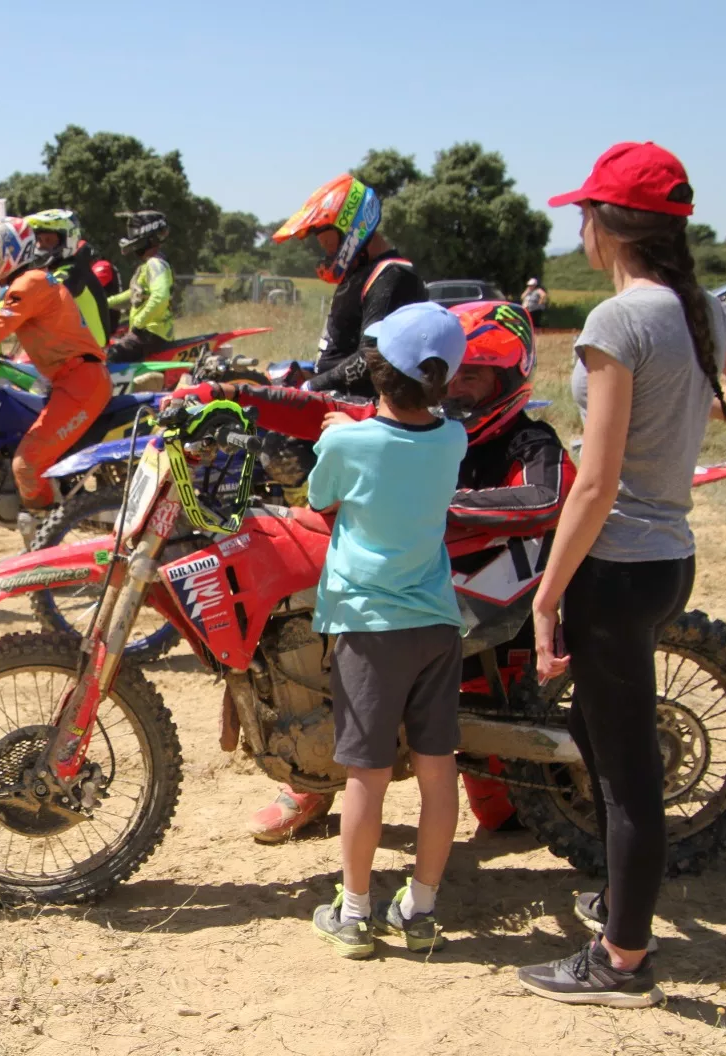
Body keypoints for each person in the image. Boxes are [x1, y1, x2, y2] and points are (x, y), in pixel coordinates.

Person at [517, 142, 726, 1007]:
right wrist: (687, 405)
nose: (581, 228)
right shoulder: (697, 309)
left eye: (585, 215)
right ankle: (618, 905)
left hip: (613, 566)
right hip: (668, 561)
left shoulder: (618, 323)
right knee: (606, 744)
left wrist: (548, 594)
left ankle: (623, 961)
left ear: (605, 225)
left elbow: (595, 484)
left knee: (626, 775)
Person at [175, 300, 575, 843]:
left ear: (510, 380)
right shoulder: (420, 421)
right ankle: (310, 774)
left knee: (502, 816)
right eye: (451, 376)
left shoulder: (529, 441)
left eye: (474, 379)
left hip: (484, 607)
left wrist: (436, 501)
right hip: (418, 588)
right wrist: (231, 394)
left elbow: (546, 497)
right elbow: (315, 405)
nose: (455, 390)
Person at [293, 301, 468, 959]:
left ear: (374, 370)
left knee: (365, 776)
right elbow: (413, 441)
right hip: (436, 624)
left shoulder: (346, 440)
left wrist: (344, 429)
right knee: (436, 773)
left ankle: (356, 911)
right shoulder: (455, 439)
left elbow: (319, 499)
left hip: (370, 628)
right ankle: (420, 908)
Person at [0, 216, 109, 522]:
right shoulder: (26, 283)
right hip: (65, 381)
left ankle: (45, 535)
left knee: (27, 464)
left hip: (81, 383)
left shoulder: (32, 282)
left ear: (10, 252)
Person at [272, 174, 428, 398]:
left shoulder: (392, 276)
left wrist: (312, 388)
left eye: (328, 245)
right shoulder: (360, 272)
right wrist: (309, 376)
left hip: (362, 408)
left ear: (352, 228)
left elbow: (371, 357)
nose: (327, 254)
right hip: (340, 399)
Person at [25, 209, 113, 347]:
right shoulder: (56, 269)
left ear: (68, 239)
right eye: (39, 240)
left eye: (48, 240)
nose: (41, 247)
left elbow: (46, 293)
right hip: (71, 351)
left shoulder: (73, 270)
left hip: (90, 357)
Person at [105, 211, 175, 360]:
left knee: (110, 358)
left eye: (133, 233)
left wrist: (138, 323)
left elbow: (160, 297)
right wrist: (102, 303)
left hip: (150, 332)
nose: (130, 237)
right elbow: (133, 295)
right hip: (149, 331)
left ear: (146, 237)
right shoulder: (149, 265)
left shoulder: (155, 264)